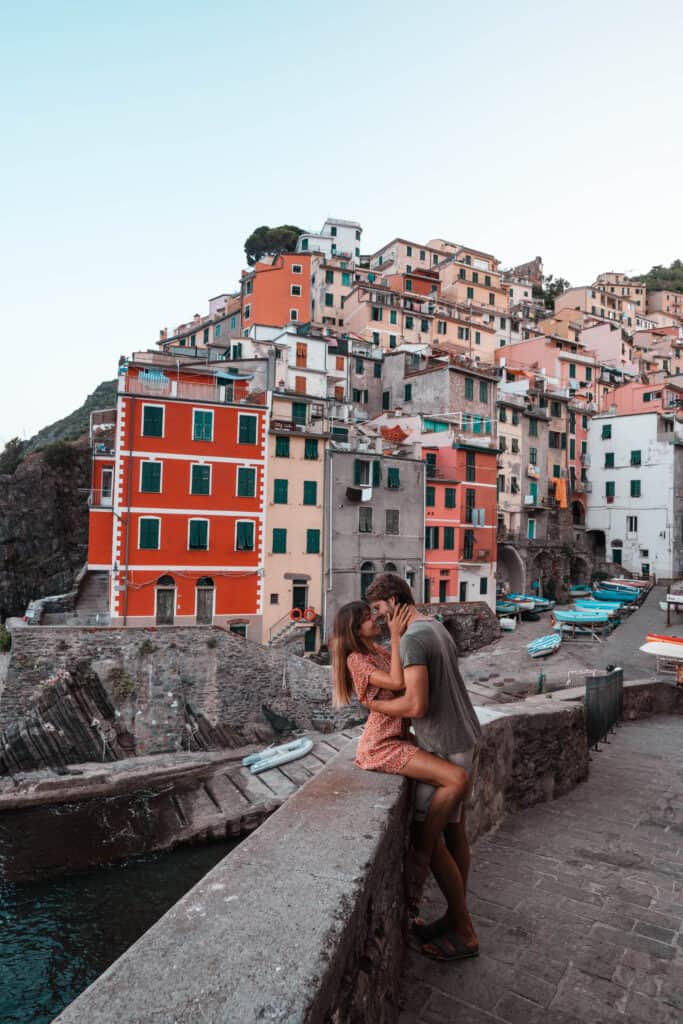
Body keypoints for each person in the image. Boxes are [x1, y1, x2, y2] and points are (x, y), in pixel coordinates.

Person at [331, 599, 471, 954]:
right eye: (367, 619)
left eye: (373, 614)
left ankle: (424, 850)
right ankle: (422, 851)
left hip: (399, 737)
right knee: (455, 779)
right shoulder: (356, 660)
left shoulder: (374, 649)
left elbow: (407, 684)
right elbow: (397, 680)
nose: (374, 620)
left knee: (455, 784)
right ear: (353, 629)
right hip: (381, 745)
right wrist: (397, 635)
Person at [364, 573, 482, 961]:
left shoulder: (413, 638)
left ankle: (464, 930)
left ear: (395, 602)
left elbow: (415, 705)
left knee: (426, 841)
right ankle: (454, 916)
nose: (379, 619)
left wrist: (375, 706)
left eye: (381, 610)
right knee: (454, 834)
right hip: (464, 736)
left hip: (443, 745)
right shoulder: (434, 626)